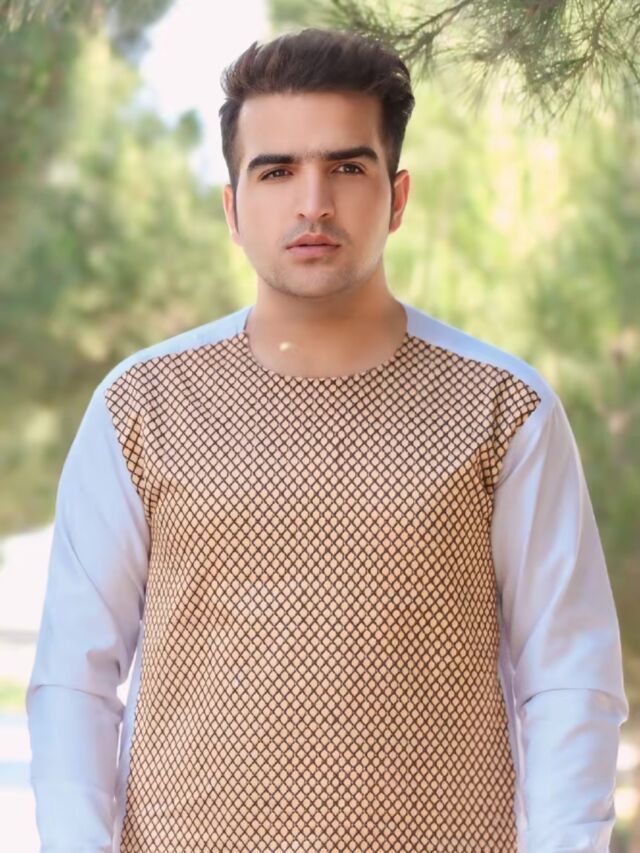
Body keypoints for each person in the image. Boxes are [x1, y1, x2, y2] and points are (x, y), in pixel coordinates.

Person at [26, 27, 628, 853]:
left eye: (347, 167)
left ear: (398, 197)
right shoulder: (141, 406)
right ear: (233, 208)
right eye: (276, 171)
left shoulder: (504, 408)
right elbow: (75, 678)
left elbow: (568, 676)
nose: (313, 202)